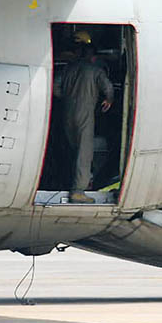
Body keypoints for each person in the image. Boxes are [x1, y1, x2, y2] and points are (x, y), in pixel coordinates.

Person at [59, 41, 115, 203]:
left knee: (73, 150)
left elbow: (56, 87)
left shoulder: (68, 70)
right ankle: (78, 191)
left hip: (67, 114)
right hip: (85, 115)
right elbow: (108, 88)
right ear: (93, 57)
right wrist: (109, 100)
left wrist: (67, 98)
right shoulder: (95, 71)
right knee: (84, 153)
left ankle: (67, 182)